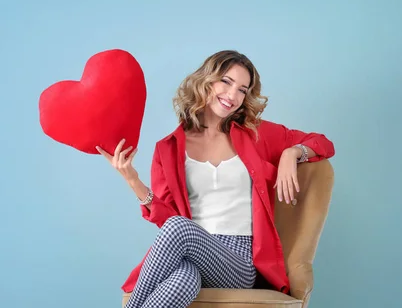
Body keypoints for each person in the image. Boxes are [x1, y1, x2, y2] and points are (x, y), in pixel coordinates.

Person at [97, 50, 335, 308]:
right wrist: (132, 179)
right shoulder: (168, 148)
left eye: (243, 90)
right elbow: (167, 220)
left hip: (240, 262)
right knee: (184, 281)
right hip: (192, 252)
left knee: (178, 228)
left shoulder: (257, 134)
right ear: (206, 80)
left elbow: (322, 143)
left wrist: (293, 152)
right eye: (226, 82)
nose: (233, 96)